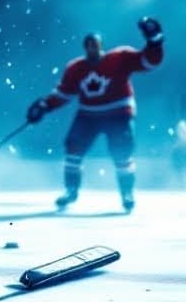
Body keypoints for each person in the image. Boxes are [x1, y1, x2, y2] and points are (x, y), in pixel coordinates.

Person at [25, 17, 165, 212]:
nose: (93, 49)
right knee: (73, 148)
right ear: (85, 47)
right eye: (89, 45)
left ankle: (127, 193)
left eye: (96, 45)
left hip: (118, 113)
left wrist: (154, 41)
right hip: (89, 115)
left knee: (122, 152)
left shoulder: (120, 58)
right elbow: (64, 93)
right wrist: (43, 106)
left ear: (101, 46)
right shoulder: (75, 68)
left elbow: (148, 63)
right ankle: (71, 190)